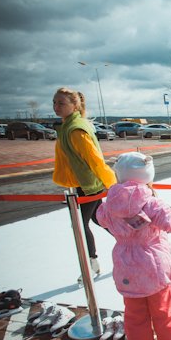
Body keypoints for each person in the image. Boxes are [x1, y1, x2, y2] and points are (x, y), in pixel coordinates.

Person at [96, 152, 171, 340]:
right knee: (163, 313)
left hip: (126, 268)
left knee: (134, 318)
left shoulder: (110, 203)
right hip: (154, 269)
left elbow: (101, 218)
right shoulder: (151, 203)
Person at [52, 87, 117, 278]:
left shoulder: (75, 130)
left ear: (75, 105)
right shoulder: (68, 126)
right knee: (98, 219)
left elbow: (95, 160)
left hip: (88, 185)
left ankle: (91, 262)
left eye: (61, 103)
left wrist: (113, 185)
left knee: (80, 225)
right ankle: (130, 244)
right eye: (54, 102)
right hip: (84, 183)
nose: (56, 107)